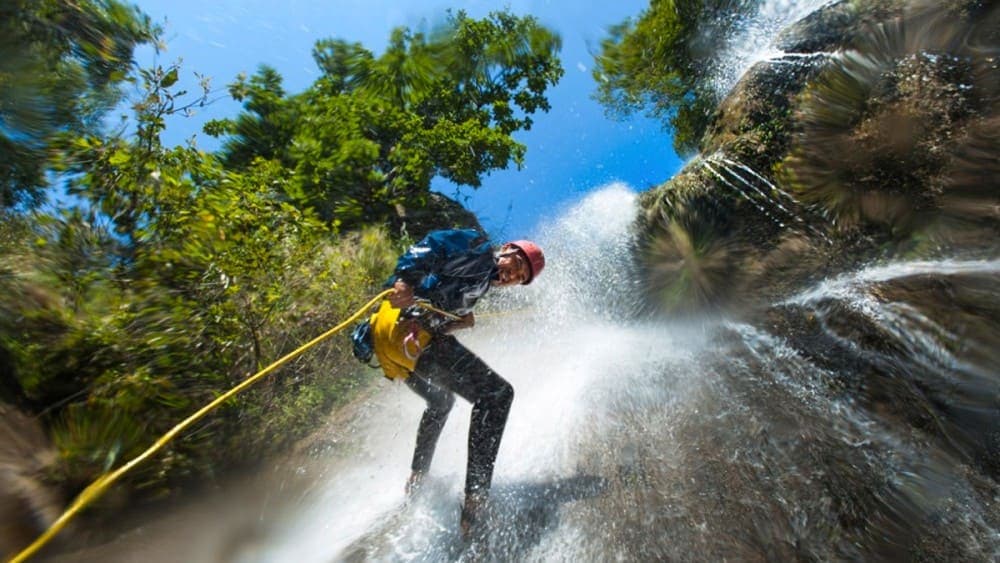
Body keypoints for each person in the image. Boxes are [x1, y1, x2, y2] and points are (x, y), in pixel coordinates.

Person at [369, 228, 544, 537]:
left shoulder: (477, 286)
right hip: (406, 332)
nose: (512, 276)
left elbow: (437, 307)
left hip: (393, 345)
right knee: (497, 395)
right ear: (505, 249)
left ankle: (417, 476)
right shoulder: (478, 250)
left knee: (441, 402)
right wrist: (404, 281)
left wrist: (458, 321)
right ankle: (476, 499)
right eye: (515, 266)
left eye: (519, 278)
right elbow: (434, 244)